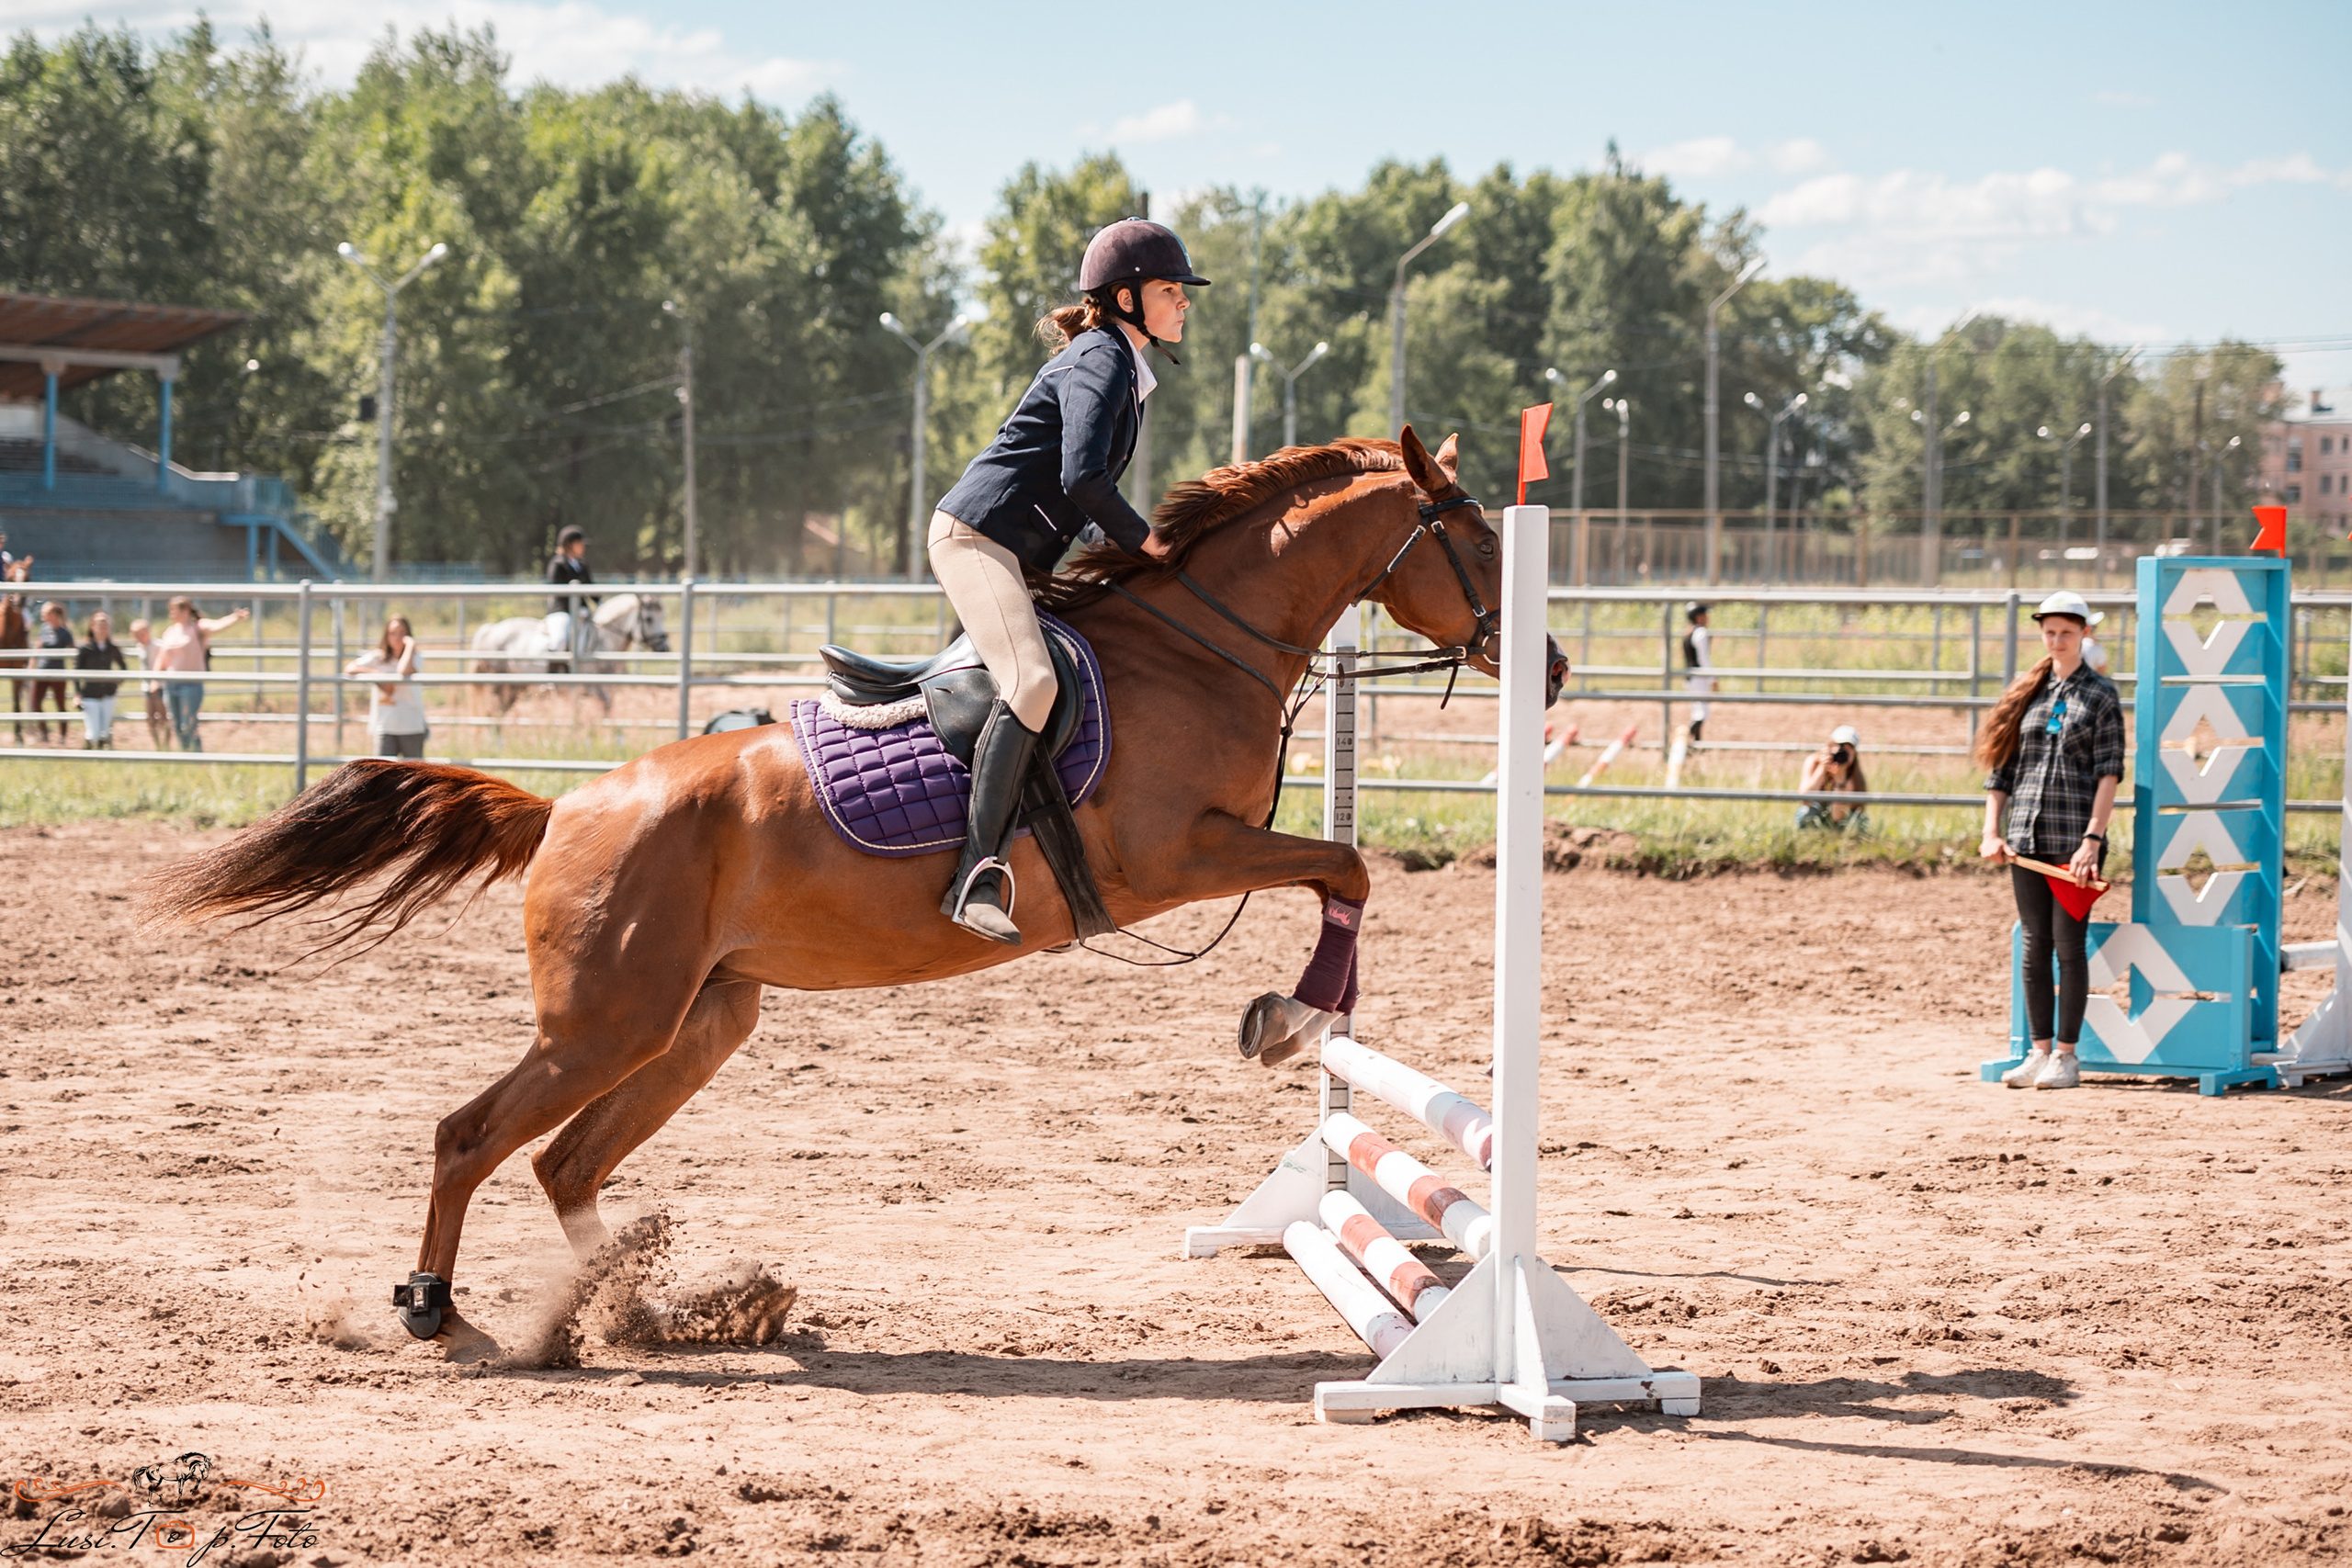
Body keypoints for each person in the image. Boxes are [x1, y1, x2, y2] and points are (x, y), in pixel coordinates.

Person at [926, 216, 1208, 944]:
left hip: (1018, 549)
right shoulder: (1102, 359)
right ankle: (975, 875)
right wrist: (1147, 542)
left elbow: (1070, 489)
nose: (1185, 303)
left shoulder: (1118, 362)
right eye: (1172, 290)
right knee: (1035, 684)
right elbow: (1080, 476)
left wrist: (1107, 543)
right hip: (978, 539)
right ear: (1124, 297)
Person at [1977, 590, 2126, 1091]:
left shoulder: (2101, 695)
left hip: (2074, 840)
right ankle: (2037, 1052)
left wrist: (2092, 839)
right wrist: (1992, 830)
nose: (2057, 639)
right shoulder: (2030, 695)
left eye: (2066, 631)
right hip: (2026, 837)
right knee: (2034, 945)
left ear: (2085, 633)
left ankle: (2067, 1056)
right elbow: (2003, 770)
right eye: (2049, 632)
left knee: (2069, 946)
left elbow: (2109, 774)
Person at [153, 596, 249, 752]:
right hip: (171, 683)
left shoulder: (197, 627)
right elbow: (162, 658)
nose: (171, 614)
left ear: (186, 611)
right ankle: (186, 755)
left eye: (174, 611)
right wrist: (155, 680)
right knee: (176, 723)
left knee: (188, 723)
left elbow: (216, 625)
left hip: (191, 683)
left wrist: (235, 617)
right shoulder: (170, 631)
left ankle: (196, 755)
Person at [346, 615, 428, 759]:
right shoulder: (378, 657)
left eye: (402, 633)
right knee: (384, 774)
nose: (397, 637)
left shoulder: (415, 658)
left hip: (411, 724)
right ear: (386, 635)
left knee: (413, 774)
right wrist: (375, 674)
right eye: (392, 633)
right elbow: (350, 667)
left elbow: (403, 670)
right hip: (385, 724)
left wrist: (410, 646)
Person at [1795, 724, 1870, 831]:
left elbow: (1837, 817)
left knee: (1858, 821)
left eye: (1849, 748)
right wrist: (1822, 768)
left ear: (1854, 752)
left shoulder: (1853, 777)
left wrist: (1840, 779)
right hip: (1816, 815)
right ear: (1830, 747)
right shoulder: (1813, 762)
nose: (1843, 752)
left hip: (1841, 824)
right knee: (1805, 812)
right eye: (1840, 746)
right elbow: (1805, 800)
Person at [74, 611, 127, 749]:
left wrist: (118, 679)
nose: (103, 628)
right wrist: (78, 694)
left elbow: (123, 667)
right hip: (90, 693)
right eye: (100, 625)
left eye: (105, 625)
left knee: (104, 732)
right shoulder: (85, 649)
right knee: (94, 733)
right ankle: (89, 749)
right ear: (92, 627)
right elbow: (76, 673)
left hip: (108, 693)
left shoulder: (112, 648)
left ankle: (100, 754)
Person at [545, 525, 596, 664]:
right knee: (559, 640)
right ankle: (550, 678)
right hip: (562, 610)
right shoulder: (557, 564)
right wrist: (576, 609)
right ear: (568, 545)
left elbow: (592, 589)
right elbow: (557, 591)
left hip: (582, 611)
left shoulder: (582, 565)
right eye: (579, 544)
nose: (582, 547)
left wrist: (601, 604)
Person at [29, 600, 72, 743]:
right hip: (42, 671)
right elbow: (38, 646)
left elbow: (73, 651)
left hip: (58, 673)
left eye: (45, 613)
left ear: (53, 614)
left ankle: (63, 735)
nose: (42, 615)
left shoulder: (65, 632)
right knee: (35, 703)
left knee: (60, 704)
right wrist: (32, 663)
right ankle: (44, 732)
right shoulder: (44, 629)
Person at [128, 618, 170, 750]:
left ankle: (166, 744)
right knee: (150, 717)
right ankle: (157, 744)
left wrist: (157, 680)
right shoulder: (139, 647)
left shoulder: (158, 645)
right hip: (146, 686)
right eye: (137, 634)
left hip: (160, 685)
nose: (140, 637)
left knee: (163, 717)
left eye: (142, 633)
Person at [1682, 602, 1714, 743]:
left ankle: (1696, 742)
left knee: (1697, 711)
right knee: (1702, 713)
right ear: (1699, 617)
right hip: (1699, 677)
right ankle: (1686, 738)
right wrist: (1712, 678)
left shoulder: (1689, 631)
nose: (1708, 618)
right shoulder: (1701, 633)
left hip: (1691, 676)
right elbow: (1704, 659)